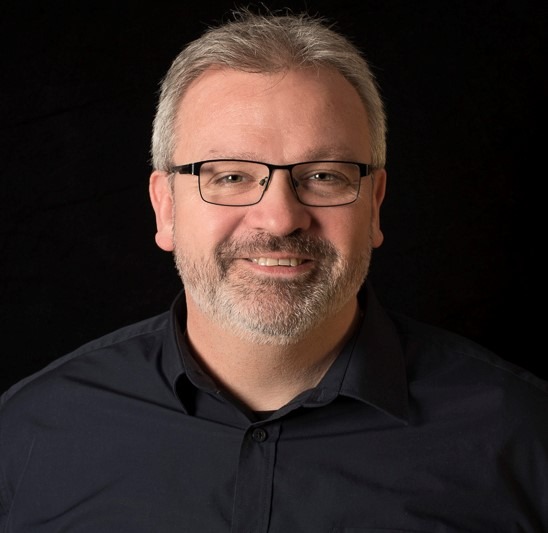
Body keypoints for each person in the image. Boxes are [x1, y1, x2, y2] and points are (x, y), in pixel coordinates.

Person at [1, 8, 546, 532]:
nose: (281, 218)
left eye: (324, 176)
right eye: (231, 177)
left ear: (375, 205)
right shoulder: (28, 433)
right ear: (165, 208)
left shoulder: (523, 439)